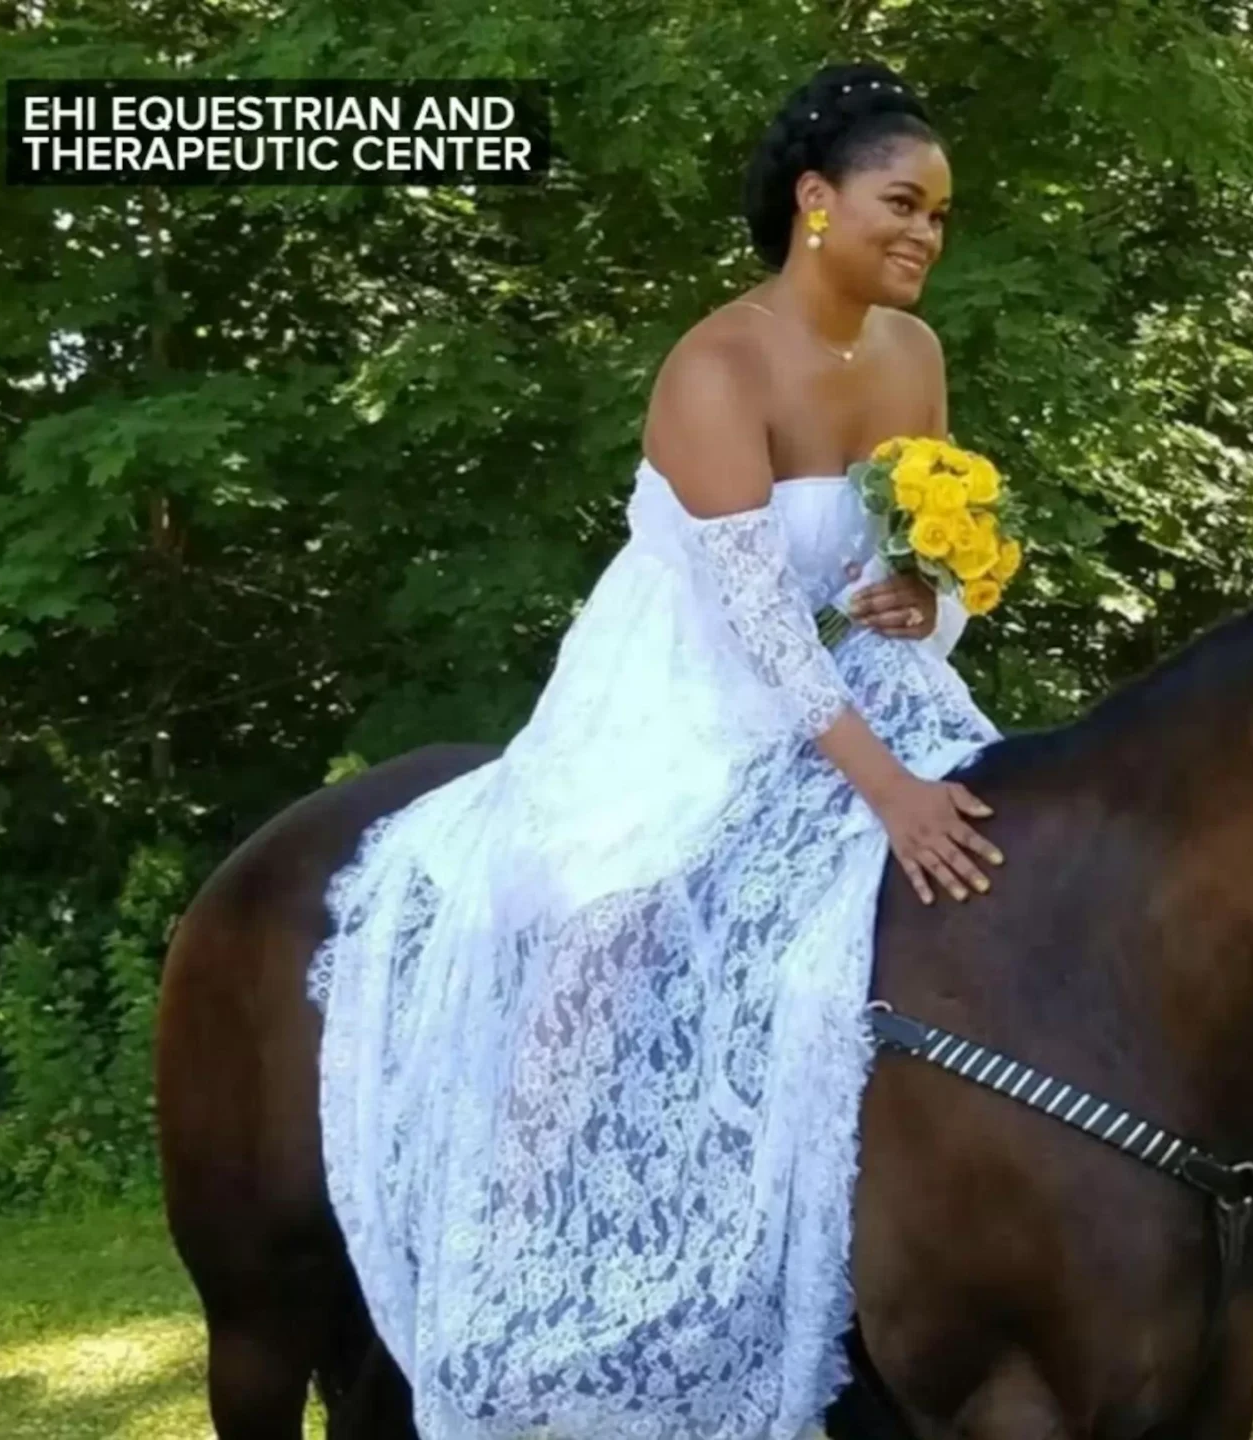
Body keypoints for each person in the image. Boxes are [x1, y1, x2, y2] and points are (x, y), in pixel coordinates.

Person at [308, 62, 1007, 1440]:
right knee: (612, 918)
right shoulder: (716, 366)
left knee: (1006, 830)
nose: (926, 233)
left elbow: (918, 561)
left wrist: (922, 600)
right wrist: (888, 793)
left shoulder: (914, 357)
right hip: (692, 687)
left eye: (939, 213)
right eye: (901, 203)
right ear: (816, 200)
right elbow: (756, 625)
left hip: (863, 674)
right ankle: (523, 1246)